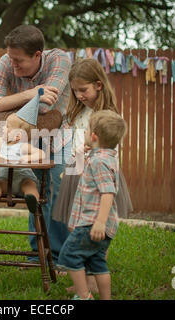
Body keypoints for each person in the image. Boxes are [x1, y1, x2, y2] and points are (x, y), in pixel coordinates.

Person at [0, 24, 72, 265]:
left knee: (52, 188)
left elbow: (46, 108)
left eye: (19, 60)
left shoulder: (60, 60)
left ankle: (61, 256)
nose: (12, 65)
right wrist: (31, 93)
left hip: (57, 138)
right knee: (33, 187)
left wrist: (10, 104)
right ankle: (38, 254)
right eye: (11, 59)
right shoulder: (7, 60)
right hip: (19, 138)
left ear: (37, 55)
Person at [52, 58, 133, 291]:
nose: (78, 95)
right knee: (76, 224)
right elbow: (74, 142)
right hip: (77, 172)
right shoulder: (79, 111)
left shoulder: (106, 115)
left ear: (98, 85)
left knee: (96, 223)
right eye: (75, 91)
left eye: (83, 90)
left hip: (97, 176)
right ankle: (86, 276)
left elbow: (110, 150)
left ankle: (92, 280)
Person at [57, 110, 127, 300]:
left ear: (94, 136)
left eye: (87, 129)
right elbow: (83, 175)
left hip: (92, 223)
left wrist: (100, 223)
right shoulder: (106, 156)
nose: (85, 132)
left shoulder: (98, 161)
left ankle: (84, 296)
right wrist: (80, 154)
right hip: (100, 224)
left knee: (69, 255)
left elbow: (108, 193)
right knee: (97, 263)